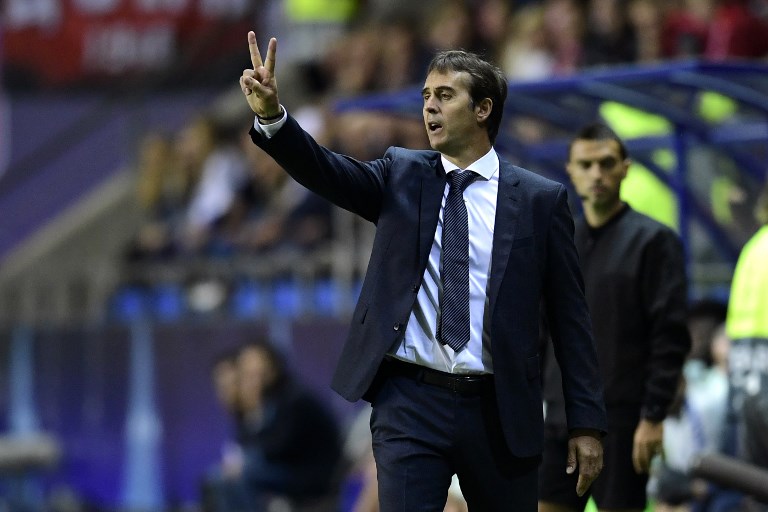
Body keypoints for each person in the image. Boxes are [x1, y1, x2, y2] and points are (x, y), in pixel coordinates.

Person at [239, 32, 607, 511]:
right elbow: (326, 170)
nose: (429, 106)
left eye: (445, 95)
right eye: (426, 95)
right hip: (410, 403)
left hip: (500, 407)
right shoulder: (402, 173)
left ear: (483, 109)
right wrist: (273, 118)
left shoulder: (540, 200)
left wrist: (586, 422)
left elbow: (570, 320)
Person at [538, 123, 692, 512]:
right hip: (558, 416)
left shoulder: (654, 241)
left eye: (606, 163)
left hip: (621, 422)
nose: (597, 174)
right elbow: (540, 330)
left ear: (625, 168)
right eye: (585, 165)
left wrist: (653, 417)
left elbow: (669, 337)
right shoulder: (560, 241)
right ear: (570, 171)